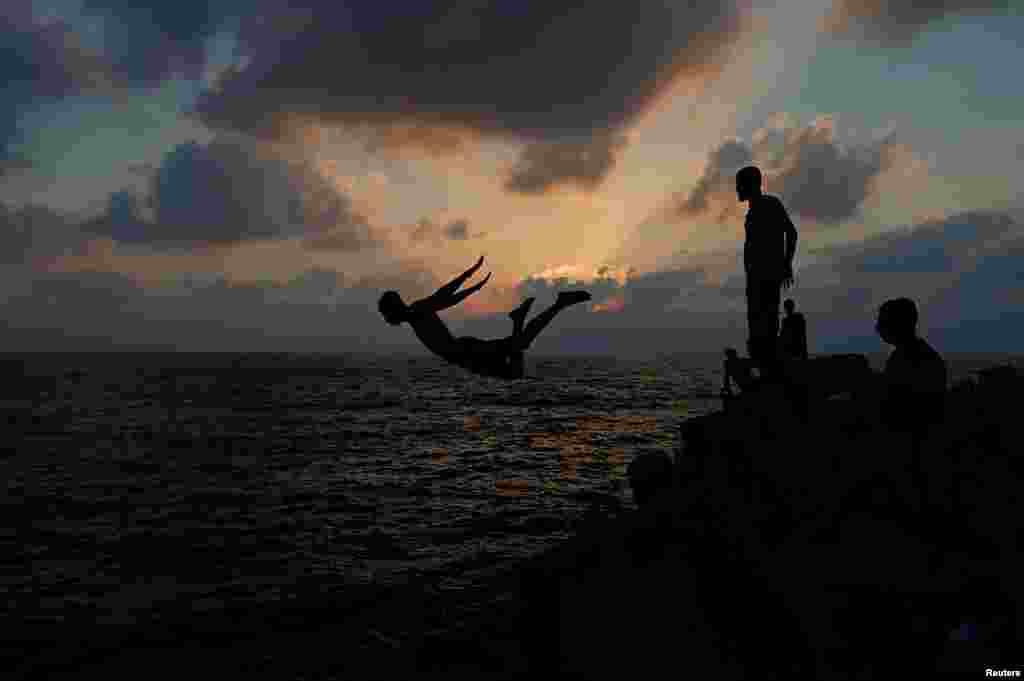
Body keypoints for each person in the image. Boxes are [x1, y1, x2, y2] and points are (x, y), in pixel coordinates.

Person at [378, 256, 591, 379]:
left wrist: (469, 280)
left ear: (393, 309)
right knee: (516, 364)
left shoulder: (417, 311)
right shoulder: (414, 314)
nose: (386, 319)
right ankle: (540, 312)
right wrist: (469, 280)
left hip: (467, 353)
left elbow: (444, 298)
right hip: (465, 356)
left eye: (386, 313)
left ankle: (545, 310)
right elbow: (443, 297)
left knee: (518, 352)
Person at [874, 297, 948, 510]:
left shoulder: (911, 359)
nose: (878, 328)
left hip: (914, 449)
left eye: (883, 322)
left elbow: (905, 406)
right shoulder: (914, 355)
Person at [736, 166, 798, 382]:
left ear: (751, 184)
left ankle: (770, 372)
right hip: (754, 276)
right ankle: (765, 368)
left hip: (766, 274)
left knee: (767, 321)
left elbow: (791, 232)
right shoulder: (752, 211)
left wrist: (786, 263)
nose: (736, 188)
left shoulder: (770, 204)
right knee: (757, 323)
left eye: (739, 184)